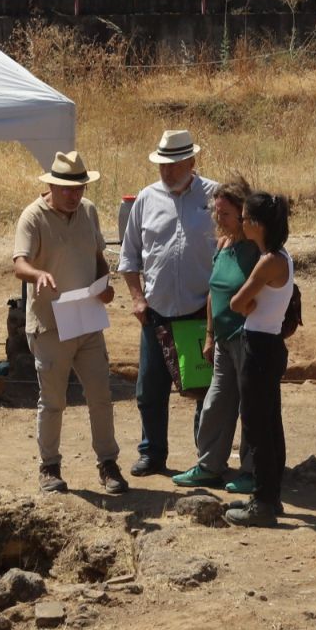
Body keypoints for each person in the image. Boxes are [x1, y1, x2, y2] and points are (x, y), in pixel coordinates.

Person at [11, 150, 124, 497]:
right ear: (53, 186)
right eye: (68, 189)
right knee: (53, 400)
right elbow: (19, 263)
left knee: (100, 396)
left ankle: (108, 463)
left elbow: (97, 258)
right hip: (50, 324)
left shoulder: (87, 212)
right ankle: (49, 467)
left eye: (80, 188)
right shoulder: (32, 217)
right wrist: (38, 274)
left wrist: (105, 285)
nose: (75, 195)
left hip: (87, 318)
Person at [118, 129, 215, 477]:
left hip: (200, 313)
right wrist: (136, 299)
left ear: (192, 162)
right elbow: (129, 257)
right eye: (163, 165)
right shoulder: (146, 199)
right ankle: (152, 453)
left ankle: (207, 459)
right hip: (156, 313)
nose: (168, 171)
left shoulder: (215, 197)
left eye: (175, 164)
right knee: (149, 389)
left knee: (203, 390)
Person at [171, 175, 261, 494]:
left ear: (242, 213)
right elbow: (214, 291)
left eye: (224, 213)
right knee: (216, 403)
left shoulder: (257, 247)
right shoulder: (224, 244)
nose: (218, 219)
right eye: (216, 212)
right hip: (224, 339)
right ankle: (209, 465)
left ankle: (253, 470)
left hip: (250, 339)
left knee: (252, 407)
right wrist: (210, 334)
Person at [221, 191, 293, 527]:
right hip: (270, 343)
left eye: (247, 218)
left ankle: (263, 502)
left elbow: (237, 302)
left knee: (256, 425)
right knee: (270, 422)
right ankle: (270, 495)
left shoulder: (267, 262)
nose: (243, 223)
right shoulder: (281, 257)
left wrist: (243, 303)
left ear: (258, 225)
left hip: (259, 346)